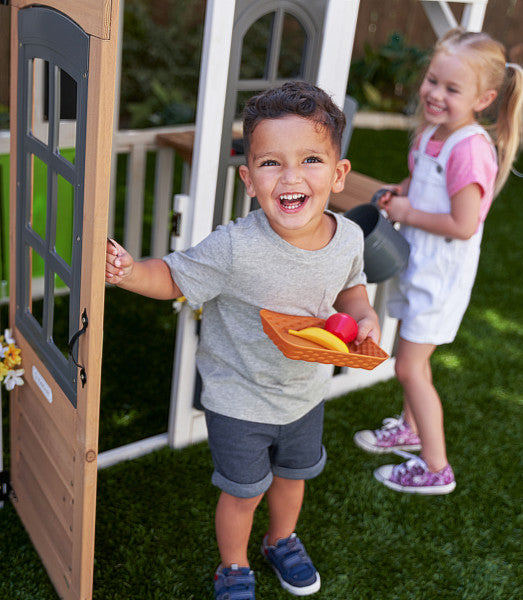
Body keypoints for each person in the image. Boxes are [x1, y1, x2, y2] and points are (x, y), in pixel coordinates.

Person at [106, 81, 380, 599]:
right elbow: (172, 277)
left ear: (339, 175)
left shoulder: (348, 236)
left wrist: (362, 316)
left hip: (304, 392)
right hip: (239, 398)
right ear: (249, 179)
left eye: (311, 160)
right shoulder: (234, 246)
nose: (291, 176)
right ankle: (232, 567)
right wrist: (128, 273)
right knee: (242, 493)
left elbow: (352, 286)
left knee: (293, 477)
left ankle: (282, 541)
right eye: (271, 163)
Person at [353, 28, 523, 495]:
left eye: (452, 89)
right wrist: (399, 193)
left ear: (483, 99)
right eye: (433, 81)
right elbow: (418, 178)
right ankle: (409, 429)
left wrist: (408, 212)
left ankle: (435, 467)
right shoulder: (432, 133)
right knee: (410, 358)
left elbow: (464, 224)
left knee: (410, 366)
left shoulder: (470, 148)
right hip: (417, 265)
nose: (435, 94)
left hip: (441, 277)